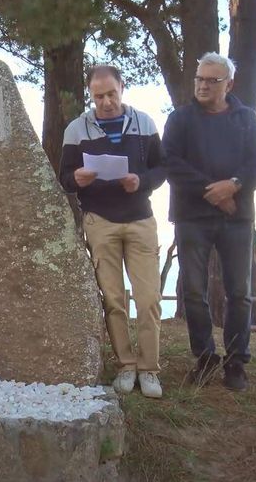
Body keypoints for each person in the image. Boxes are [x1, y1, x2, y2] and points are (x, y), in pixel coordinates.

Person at [59, 65, 166, 398]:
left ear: (122, 87)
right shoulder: (76, 129)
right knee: (114, 299)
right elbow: (64, 177)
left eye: (111, 94)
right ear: (90, 94)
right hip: (100, 221)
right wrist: (77, 179)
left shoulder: (144, 122)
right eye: (98, 96)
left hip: (140, 219)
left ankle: (149, 369)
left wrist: (141, 181)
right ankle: (126, 365)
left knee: (148, 299)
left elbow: (162, 168)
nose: (106, 102)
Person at [162, 52, 256, 391]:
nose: (203, 85)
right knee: (194, 291)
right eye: (199, 79)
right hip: (192, 217)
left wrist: (234, 185)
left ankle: (236, 362)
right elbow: (171, 163)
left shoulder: (246, 119)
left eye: (212, 80)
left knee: (240, 293)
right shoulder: (180, 119)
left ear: (229, 84)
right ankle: (205, 357)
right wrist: (215, 191)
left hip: (237, 219)